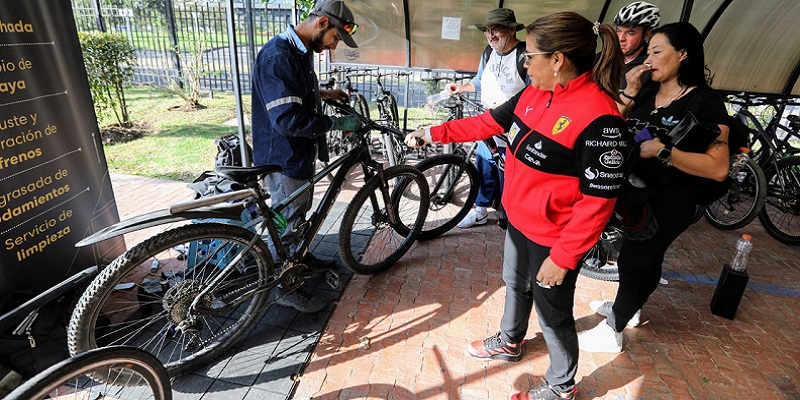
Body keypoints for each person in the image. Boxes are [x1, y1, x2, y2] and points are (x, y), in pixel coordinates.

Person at [406, 12, 627, 400]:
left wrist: (565, 255)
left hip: (554, 238)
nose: (525, 63)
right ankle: (510, 341)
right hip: (519, 221)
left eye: (531, 56)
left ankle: (562, 387)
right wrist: (431, 133)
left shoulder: (599, 115)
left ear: (558, 60)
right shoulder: (534, 93)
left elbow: (599, 200)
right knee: (515, 284)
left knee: (553, 314)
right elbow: (487, 123)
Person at [579, 22, 731, 353]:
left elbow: (719, 168)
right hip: (636, 193)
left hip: (675, 197)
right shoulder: (646, 88)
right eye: (648, 53)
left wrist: (664, 151)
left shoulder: (706, 102)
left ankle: (614, 327)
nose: (649, 60)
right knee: (642, 255)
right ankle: (628, 308)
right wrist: (631, 89)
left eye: (657, 52)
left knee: (637, 256)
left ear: (683, 54)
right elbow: (609, 124)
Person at [251, 0, 361, 313]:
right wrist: (335, 123)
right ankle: (283, 287)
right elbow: (287, 119)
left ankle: (300, 254)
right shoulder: (279, 55)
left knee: (296, 218)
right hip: (282, 157)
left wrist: (323, 95)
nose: (334, 46)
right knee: (287, 224)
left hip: (295, 153)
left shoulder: (297, 51)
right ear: (323, 23)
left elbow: (294, 92)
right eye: (336, 38)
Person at [446, 8, 530, 230]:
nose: (491, 35)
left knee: (509, 176)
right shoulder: (488, 52)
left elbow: (535, 94)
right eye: (488, 31)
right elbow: (480, 80)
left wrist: (504, 110)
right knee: (485, 169)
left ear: (512, 30)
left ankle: (509, 218)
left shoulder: (525, 55)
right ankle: (481, 211)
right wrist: (461, 88)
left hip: (513, 130)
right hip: (488, 126)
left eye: (497, 30)